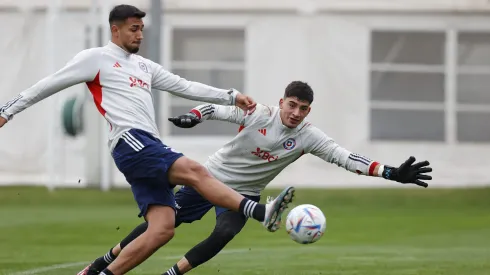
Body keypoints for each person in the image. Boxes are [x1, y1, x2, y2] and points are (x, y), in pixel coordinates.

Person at [0, 4, 295, 275]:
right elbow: (46, 85)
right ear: (115, 30)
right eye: (133, 29)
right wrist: (7, 112)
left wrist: (231, 96)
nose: (140, 34)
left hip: (146, 146)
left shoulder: (144, 66)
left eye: (142, 28)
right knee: (195, 172)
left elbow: (183, 86)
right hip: (131, 142)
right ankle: (260, 212)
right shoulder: (96, 59)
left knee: (163, 229)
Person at [78, 81, 433, 275]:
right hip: (210, 179)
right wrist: (194, 115)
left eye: (303, 109)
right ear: (281, 102)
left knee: (226, 232)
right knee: (163, 224)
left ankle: (173, 274)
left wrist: (391, 172)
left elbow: (345, 157)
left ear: (309, 111)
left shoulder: (309, 136)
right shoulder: (259, 114)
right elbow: (219, 108)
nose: (296, 113)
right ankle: (101, 264)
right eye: (292, 105)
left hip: (245, 192)